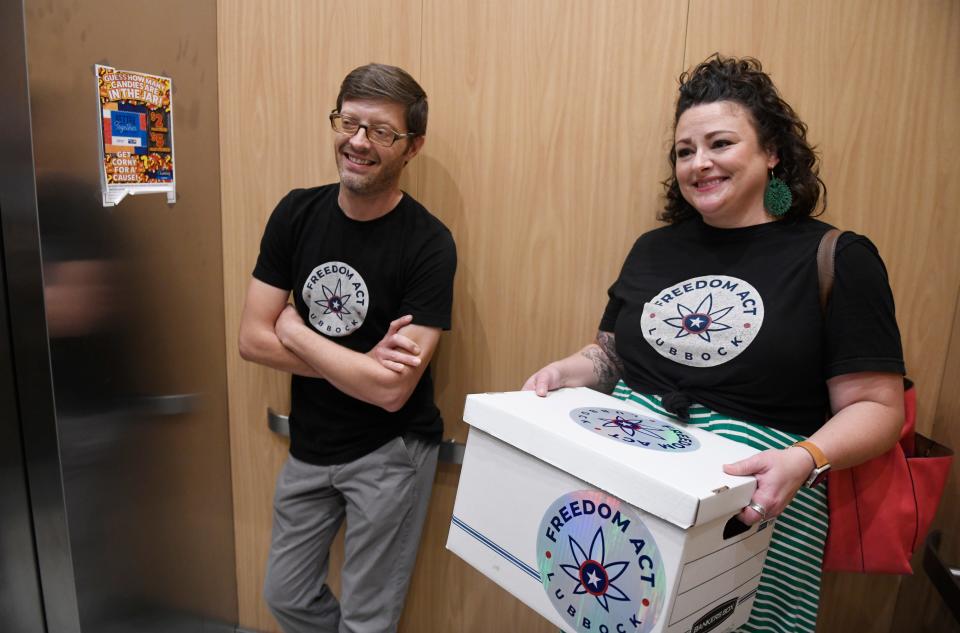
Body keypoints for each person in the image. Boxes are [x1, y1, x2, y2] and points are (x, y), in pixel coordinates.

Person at [522, 55, 904, 632]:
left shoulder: (837, 258)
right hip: (628, 500)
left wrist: (805, 459)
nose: (699, 164)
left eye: (720, 143)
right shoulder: (654, 249)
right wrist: (565, 372)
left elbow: (878, 406)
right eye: (684, 151)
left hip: (754, 516)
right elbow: (611, 355)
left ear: (771, 151)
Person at [238, 63, 457, 633]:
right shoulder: (296, 212)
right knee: (284, 595)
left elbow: (390, 391)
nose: (358, 142)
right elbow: (250, 339)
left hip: (390, 451)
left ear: (412, 147)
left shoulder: (429, 243)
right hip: (311, 443)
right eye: (349, 122)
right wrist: (358, 365)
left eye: (381, 131)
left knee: (367, 619)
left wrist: (295, 331)